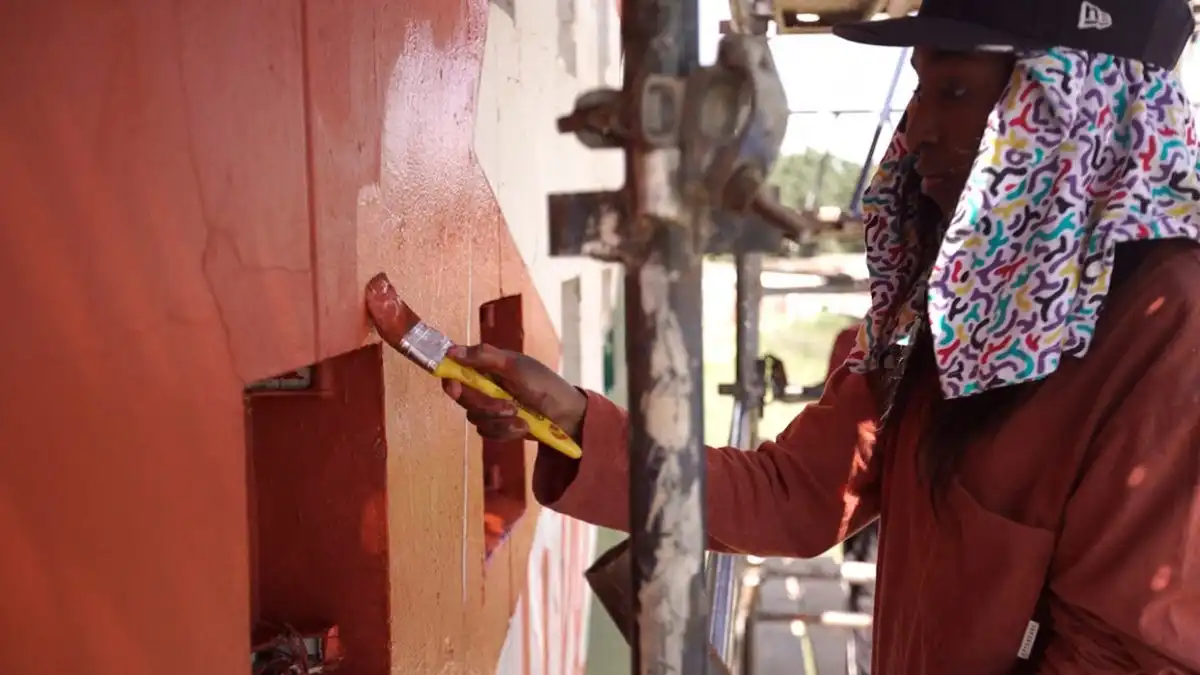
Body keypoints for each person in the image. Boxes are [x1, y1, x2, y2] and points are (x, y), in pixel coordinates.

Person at [369, 0, 1200, 672]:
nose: (916, 130)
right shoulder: (950, 310)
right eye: (920, 89)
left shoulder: (1170, 334)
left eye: (954, 91)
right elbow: (801, 493)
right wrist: (579, 421)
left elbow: (1132, 654)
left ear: (1075, 112)